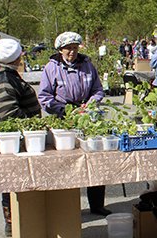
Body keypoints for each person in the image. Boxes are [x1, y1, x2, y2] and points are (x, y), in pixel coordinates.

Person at [38, 32, 109, 216]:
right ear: (60, 49)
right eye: (68, 48)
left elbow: (98, 89)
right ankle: (66, 207)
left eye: (75, 48)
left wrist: (91, 104)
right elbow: (44, 97)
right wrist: (63, 109)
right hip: (63, 118)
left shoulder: (88, 66)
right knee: (66, 162)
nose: (72, 52)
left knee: (94, 160)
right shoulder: (51, 69)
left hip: (88, 117)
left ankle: (97, 204)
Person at [0, 38, 41, 236]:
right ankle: (13, 223)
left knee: (16, 179)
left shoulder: (4, 74)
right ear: (14, 57)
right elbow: (9, 113)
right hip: (16, 137)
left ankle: (19, 221)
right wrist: (31, 125)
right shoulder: (3, 79)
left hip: (19, 136)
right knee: (13, 179)